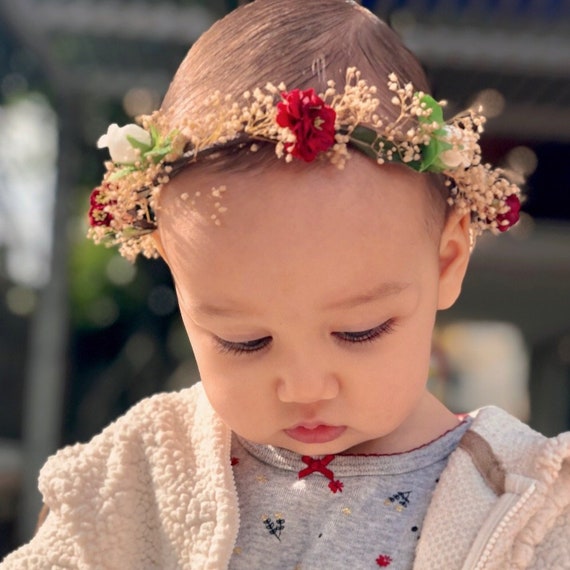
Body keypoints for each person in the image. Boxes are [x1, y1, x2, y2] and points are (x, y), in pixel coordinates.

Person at [3, 0, 569, 568]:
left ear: (448, 261)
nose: (304, 387)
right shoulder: (135, 473)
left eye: (359, 331)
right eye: (244, 340)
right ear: (178, 283)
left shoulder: (527, 499)